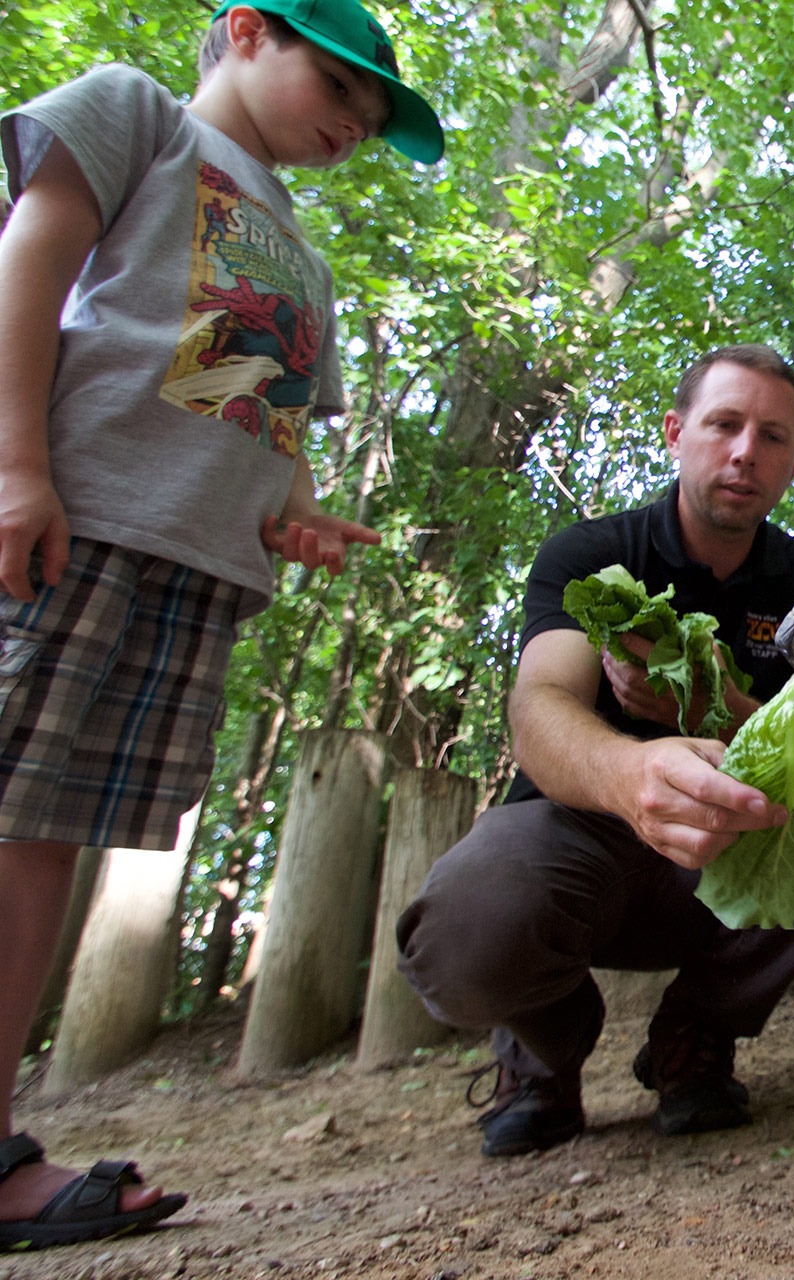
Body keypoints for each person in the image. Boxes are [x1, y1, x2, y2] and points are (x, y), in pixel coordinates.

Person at [0, 0, 442, 1249]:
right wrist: (16, 465)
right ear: (247, 31)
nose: (355, 124)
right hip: (73, 524)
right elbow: (31, 255)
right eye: (342, 86)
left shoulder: (299, 252)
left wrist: (294, 510)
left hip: (193, 569)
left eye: (372, 117)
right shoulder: (137, 116)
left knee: (42, 832)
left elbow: (256, 407)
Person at [396, 344, 794, 1155]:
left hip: (728, 849)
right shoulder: (590, 554)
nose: (745, 452)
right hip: (574, 837)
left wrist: (718, 709)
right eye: (724, 425)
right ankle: (543, 1055)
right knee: (465, 935)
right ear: (677, 433)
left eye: (772, 437)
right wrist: (627, 770)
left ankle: (697, 1033)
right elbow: (539, 706)